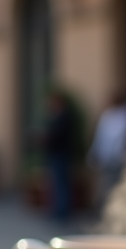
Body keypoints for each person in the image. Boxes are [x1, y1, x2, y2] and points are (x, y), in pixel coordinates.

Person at [88, 93, 126, 209]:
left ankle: (120, 209)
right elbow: (100, 138)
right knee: (108, 186)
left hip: (121, 159)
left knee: (121, 186)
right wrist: (94, 155)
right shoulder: (107, 117)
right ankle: (109, 210)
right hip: (108, 159)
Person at [43, 89, 77, 223]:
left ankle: (63, 211)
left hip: (61, 154)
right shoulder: (56, 116)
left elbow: (59, 135)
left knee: (61, 183)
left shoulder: (65, 117)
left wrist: (47, 138)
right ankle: (58, 210)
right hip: (55, 154)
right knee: (56, 183)